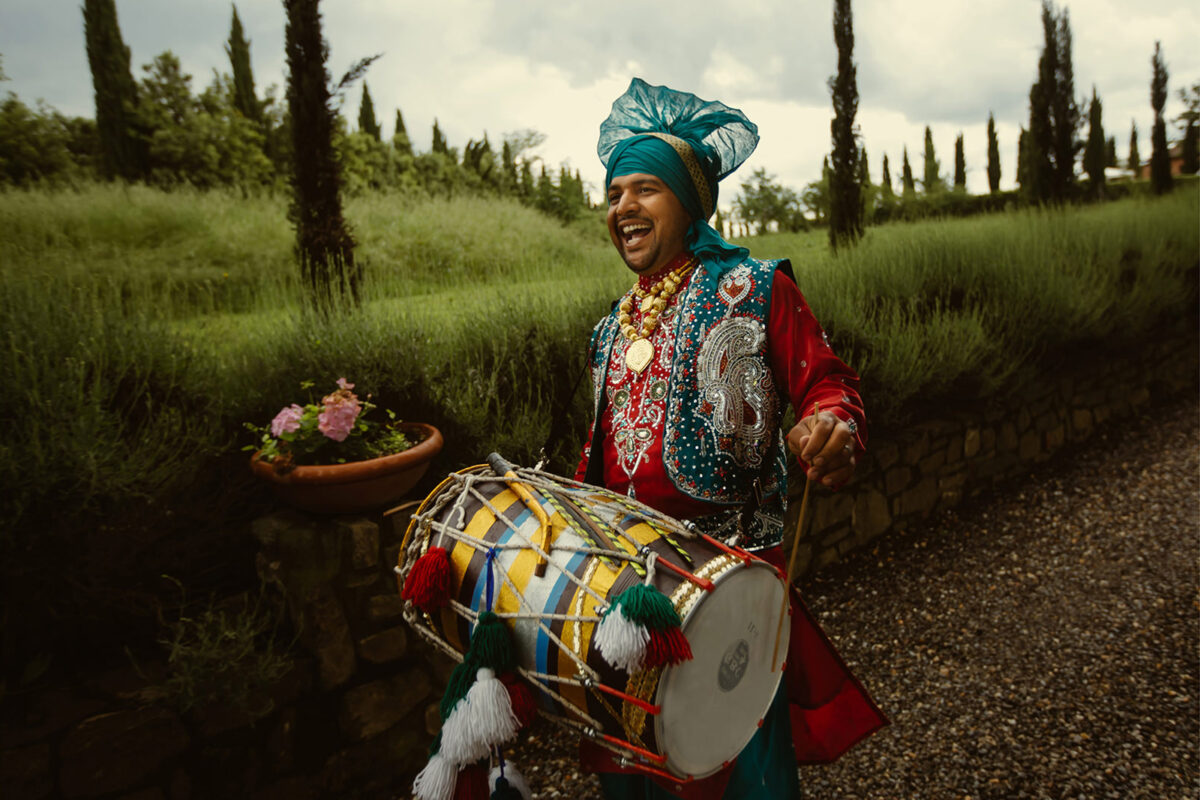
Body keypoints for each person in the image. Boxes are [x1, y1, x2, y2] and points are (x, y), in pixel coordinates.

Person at [574, 78, 887, 799]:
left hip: (731, 583)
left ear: (689, 203)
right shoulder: (607, 330)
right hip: (628, 595)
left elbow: (828, 384)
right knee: (640, 767)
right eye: (614, 191)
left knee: (735, 768)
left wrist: (830, 424)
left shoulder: (757, 287)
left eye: (644, 188)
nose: (623, 206)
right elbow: (600, 464)